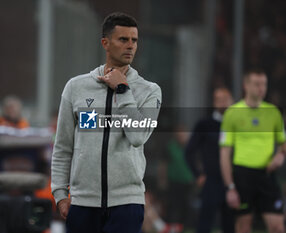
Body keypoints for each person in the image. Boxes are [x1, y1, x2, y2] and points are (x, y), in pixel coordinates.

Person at [51, 12, 162, 233]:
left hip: (127, 203)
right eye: (123, 39)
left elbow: (138, 136)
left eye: (134, 40)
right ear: (105, 43)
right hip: (83, 204)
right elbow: (63, 147)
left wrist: (123, 90)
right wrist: (61, 194)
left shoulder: (149, 91)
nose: (130, 46)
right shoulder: (76, 88)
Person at [220, 69, 286, 233]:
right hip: (243, 176)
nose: (261, 88)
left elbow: (283, 143)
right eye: (257, 84)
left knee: (278, 226)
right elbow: (224, 154)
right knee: (243, 227)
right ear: (246, 86)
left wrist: (280, 155)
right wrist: (230, 187)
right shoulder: (232, 113)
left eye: (264, 84)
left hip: (267, 175)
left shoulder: (274, 113)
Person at [185, 87, 234, 233]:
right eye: (218, 100)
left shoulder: (237, 125)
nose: (222, 103)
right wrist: (198, 174)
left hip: (232, 182)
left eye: (225, 99)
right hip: (210, 181)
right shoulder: (204, 124)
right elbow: (189, 151)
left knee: (231, 224)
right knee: (204, 224)